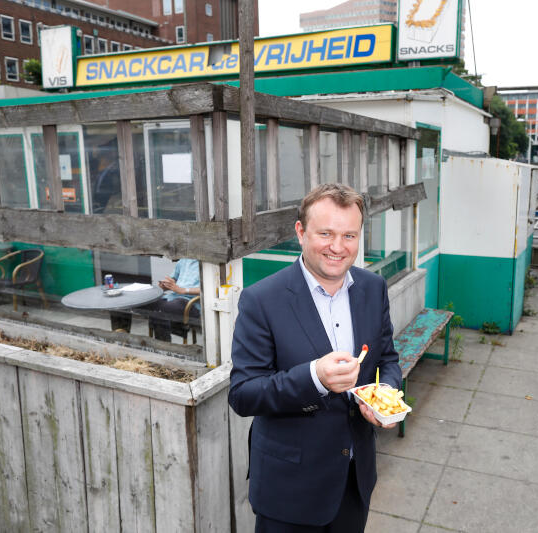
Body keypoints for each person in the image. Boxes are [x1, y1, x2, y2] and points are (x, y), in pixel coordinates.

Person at [229, 184, 402, 532]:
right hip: (289, 490)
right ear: (300, 232)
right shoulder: (261, 300)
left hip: (354, 479)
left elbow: (387, 359)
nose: (338, 247)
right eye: (326, 233)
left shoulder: (373, 288)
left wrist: (386, 399)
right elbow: (243, 394)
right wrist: (313, 379)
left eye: (349, 235)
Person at [110, 258, 201, 342]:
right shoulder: (184, 260)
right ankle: (120, 339)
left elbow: (210, 289)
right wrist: (165, 285)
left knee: (160, 309)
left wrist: (183, 290)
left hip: (191, 303)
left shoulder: (207, 264)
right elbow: (173, 279)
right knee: (127, 300)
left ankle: (163, 346)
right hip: (171, 298)